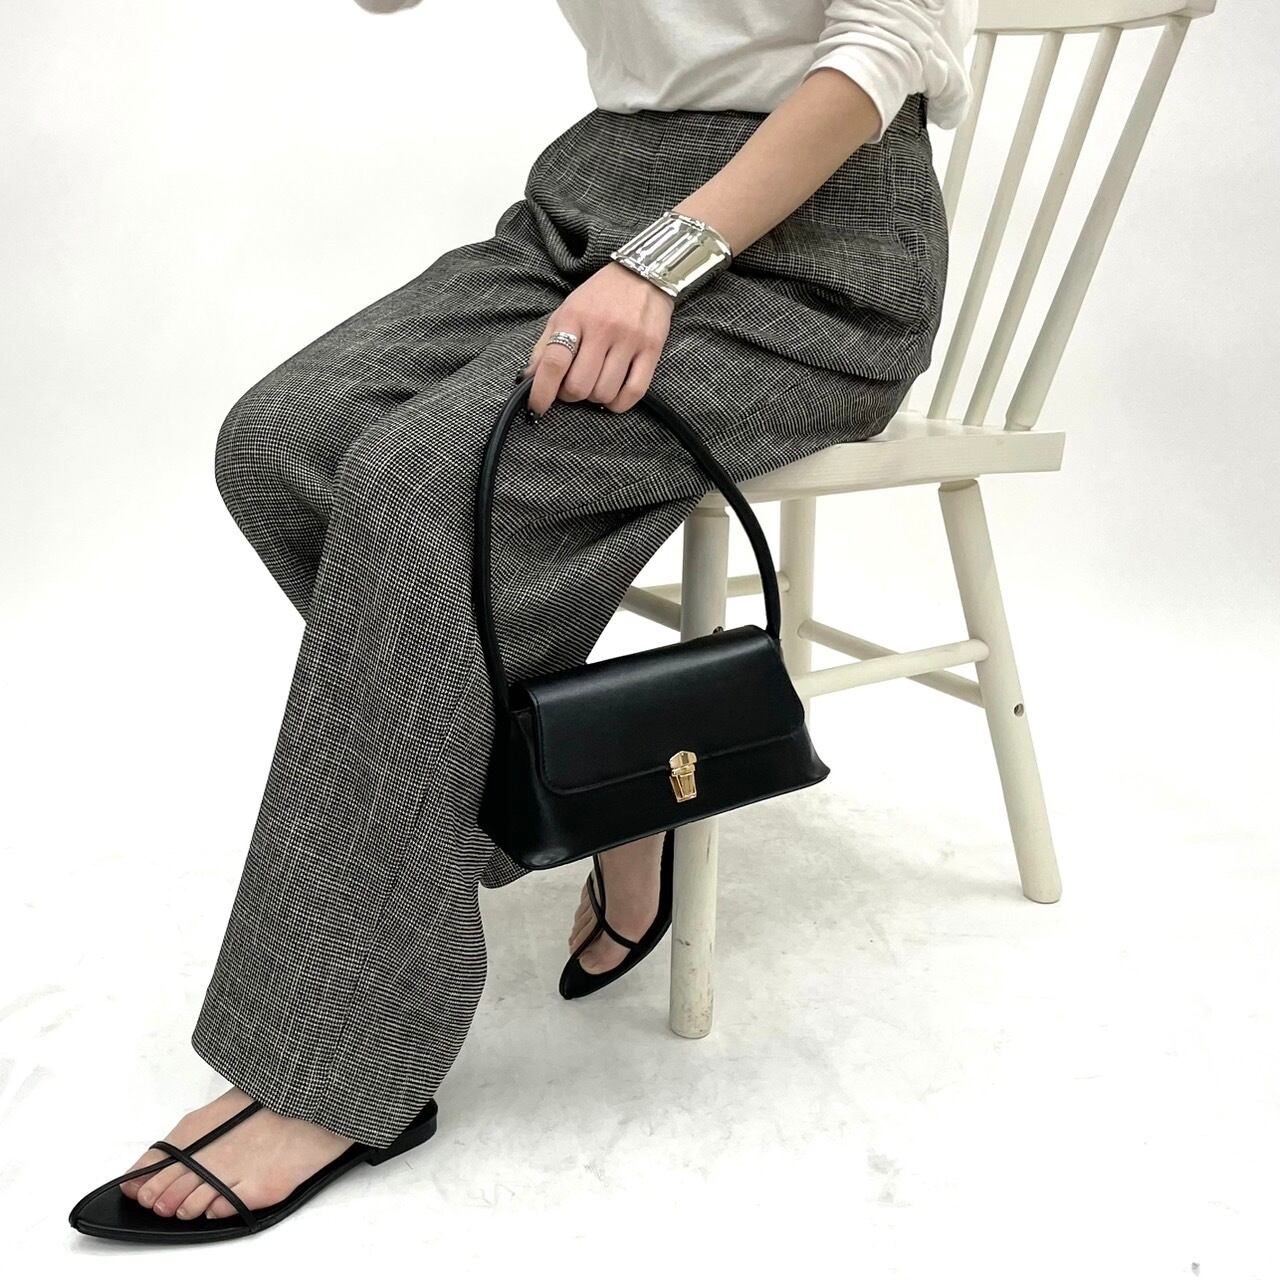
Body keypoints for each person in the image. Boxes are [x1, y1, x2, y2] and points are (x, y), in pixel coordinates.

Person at [68, 0, 978, 1243]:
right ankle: (608, 784)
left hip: (813, 234)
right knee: (283, 444)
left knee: (418, 482)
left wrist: (661, 264)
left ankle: (333, 1067)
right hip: (589, 196)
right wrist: (627, 251)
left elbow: (887, 47)